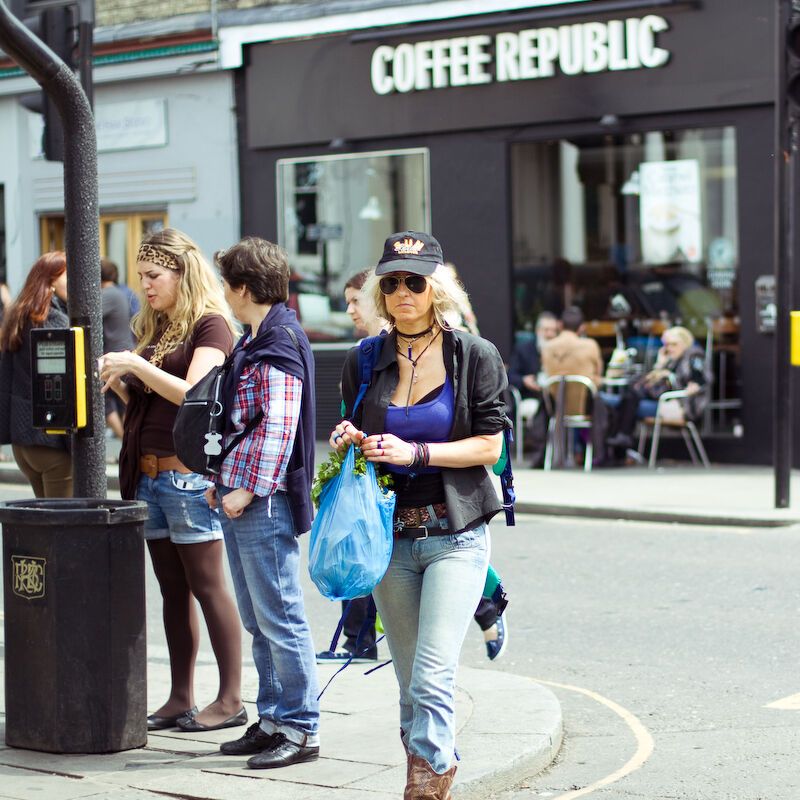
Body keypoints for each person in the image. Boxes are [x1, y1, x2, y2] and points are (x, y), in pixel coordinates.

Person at [330, 231, 510, 797]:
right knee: (409, 683)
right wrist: (349, 439)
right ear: (380, 292)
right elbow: (351, 426)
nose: (403, 291)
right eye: (392, 282)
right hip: (389, 539)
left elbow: (491, 448)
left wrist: (418, 453)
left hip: (455, 534)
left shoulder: (473, 355)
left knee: (433, 675)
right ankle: (430, 761)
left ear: (435, 288)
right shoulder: (364, 359)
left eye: (415, 281)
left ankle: (428, 777)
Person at [99, 228, 245, 733]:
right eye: (140, 276)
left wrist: (135, 362)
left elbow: (194, 395)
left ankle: (230, 698)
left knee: (208, 586)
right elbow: (154, 402)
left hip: (186, 479)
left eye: (154, 275)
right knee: (172, 590)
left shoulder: (211, 326)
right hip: (147, 476)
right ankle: (180, 696)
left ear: (184, 274)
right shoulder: (157, 327)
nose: (145, 285)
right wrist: (122, 381)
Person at [205, 237, 320, 769]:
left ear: (244, 288)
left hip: (262, 499)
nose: (224, 294)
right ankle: (273, 717)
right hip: (242, 492)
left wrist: (247, 488)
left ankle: (300, 728)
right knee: (258, 617)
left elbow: (277, 426)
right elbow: (242, 424)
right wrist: (223, 478)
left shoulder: (278, 341)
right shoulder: (260, 337)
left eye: (227, 284)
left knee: (280, 617)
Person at [0, 252, 71, 496]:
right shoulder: (53, 321)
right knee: (62, 525)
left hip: (23, 444)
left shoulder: (19, 316)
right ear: (51, 280)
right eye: (67, 275)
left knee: (46, 523)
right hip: (50, 441)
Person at [606, 326, 709, 449]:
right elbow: (649, 384)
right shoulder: (671, 360)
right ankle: (622, 440)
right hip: (662, 401)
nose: (670, 348)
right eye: (667, 345)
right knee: (630, 397)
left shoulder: (693, 355)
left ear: (685, 343)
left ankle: (621, 440)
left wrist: (674, 377)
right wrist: (660, 364)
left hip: (680, 406)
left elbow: (698, 378)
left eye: (674, 344)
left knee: (624, 404)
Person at [541, 306, 608, 467]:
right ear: (582, 327)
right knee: (616, 403)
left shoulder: (547, 347)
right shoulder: (590, 345)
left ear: (560, 325)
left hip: (556, 409)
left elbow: (544, 373)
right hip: (584, 407)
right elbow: (598, 375)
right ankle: (605, 453)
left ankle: (578, 450)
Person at [507, 312, 559, 468]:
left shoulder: (560, 350)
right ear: (538, 331)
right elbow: (510, 375)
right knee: (542, 408)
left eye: (553, 330)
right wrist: (525, 381)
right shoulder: (524, 349)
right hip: (531, 396)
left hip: (555, 395)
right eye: (546, 330)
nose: (550, 334)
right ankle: (540, 453)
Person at [100, 258, 135, 439]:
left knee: (105, 400)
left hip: (115, 354)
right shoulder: (120, 292)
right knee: (122, 401)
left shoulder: (108, 295)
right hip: (123, 350)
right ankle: (127, 438)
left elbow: (89, 313)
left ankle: (124, 439)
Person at [344, 268, 387, 338]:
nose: (349, 311)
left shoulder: (401, 344)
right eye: (348, 304)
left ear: (378, 298)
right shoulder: (362, 346)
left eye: (356, 300)